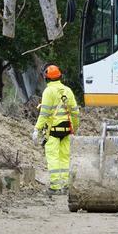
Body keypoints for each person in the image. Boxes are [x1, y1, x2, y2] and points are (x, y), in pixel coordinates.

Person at [32, 64, 80, 193]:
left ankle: (55, 187)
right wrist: (75, 128)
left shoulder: (48, 91)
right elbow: (75, 112)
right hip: (67, 129)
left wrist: (37, 129)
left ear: (46, 78)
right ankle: (65, 185)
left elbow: (44, 113)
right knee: (64, 157)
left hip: (52, 130)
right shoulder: (68, 91)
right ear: (60, 76)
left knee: (53, 158)